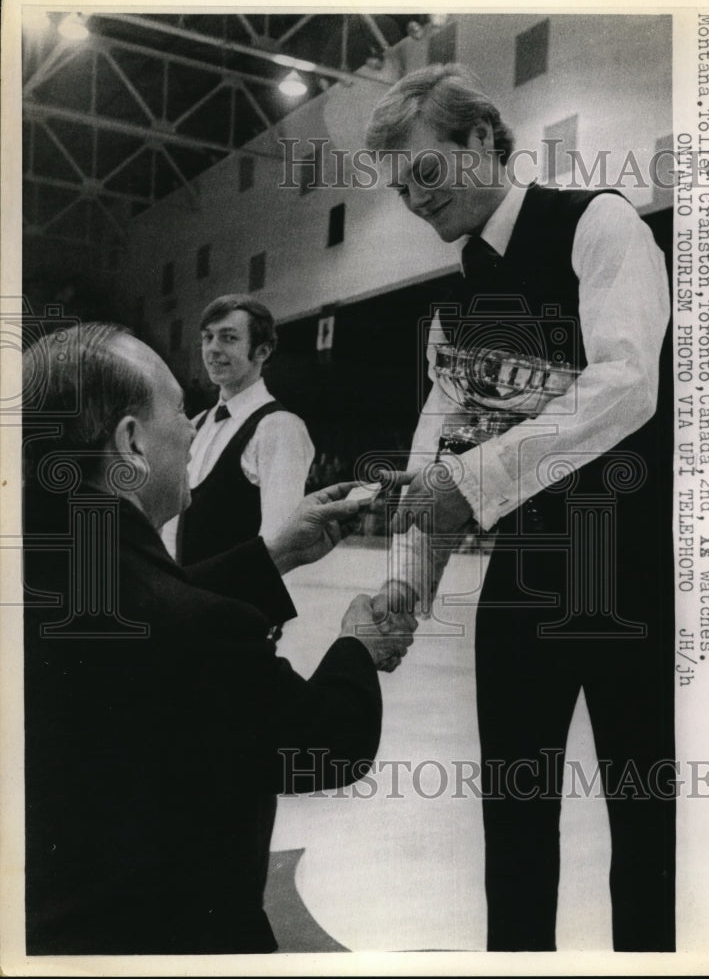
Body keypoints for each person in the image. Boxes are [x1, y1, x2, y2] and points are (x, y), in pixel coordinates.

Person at [365, 64, 675, 952]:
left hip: (626, 576)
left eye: (427, 173)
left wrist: (472, 483)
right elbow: (438, 446)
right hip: (524, 583)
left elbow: (627, 387)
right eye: (399, 189)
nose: (415, 201)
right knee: (514, 825)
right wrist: (404, 589)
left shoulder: (599, 223)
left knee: (642, 827)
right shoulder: (454, 299)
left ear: (483, 143)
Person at [22, 321, 415, 955]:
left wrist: (271, 556)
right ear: (131, 444)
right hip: (171, 937)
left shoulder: (50, 564)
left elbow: (144, 608)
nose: (189, 429)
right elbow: (327, 743)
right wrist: (357, 646)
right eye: (178, 413)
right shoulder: (198, 631)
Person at [163, 294, 315, 565]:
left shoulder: (279, 427)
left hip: (237, 603)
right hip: (186, 598)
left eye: (228, 338)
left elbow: (277, 545)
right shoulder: (197, 423)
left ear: (263, 351)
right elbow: (173, 527)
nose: (212, 349)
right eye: (208, 337)